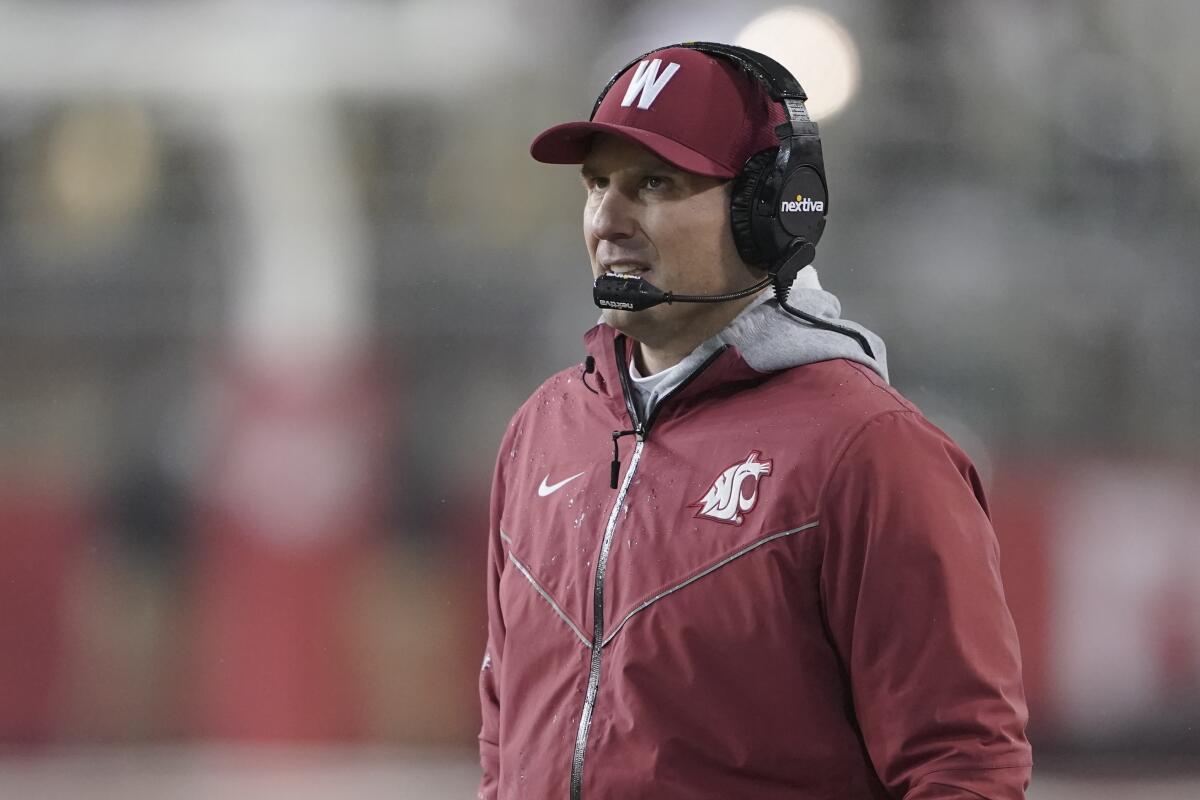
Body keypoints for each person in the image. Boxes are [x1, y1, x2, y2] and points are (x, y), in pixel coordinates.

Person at [478, 41, 1031, 800]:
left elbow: (963, 766)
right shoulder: (542, 432)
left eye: (655, 185)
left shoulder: (868, 452)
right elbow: (503, 735)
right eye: (597, 183)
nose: (608, 219)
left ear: (769, 212)